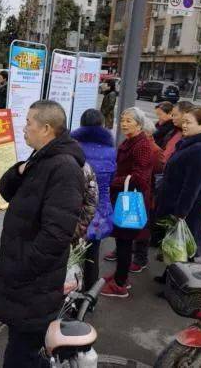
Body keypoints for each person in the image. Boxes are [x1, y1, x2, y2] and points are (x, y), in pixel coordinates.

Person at [0, 100, 85, 367]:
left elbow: (57, 234)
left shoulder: (64, 168)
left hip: (34, 283)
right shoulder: (41, 158)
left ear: (46, 128)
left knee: (21, 355)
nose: (24, 128)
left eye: (28, 123)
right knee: (21, 349)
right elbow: (7, 190)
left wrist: (23, 266)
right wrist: (20, 170)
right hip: (26, 282)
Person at [101, 108, 154, 298]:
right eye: (123, 120)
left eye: (129, 120)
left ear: (139, 124)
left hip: (129, 199)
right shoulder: (131, 141)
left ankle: (120, 284)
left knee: (125, 241)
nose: (124, 124)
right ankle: (120, 275)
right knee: (122, 240)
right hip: (123, 196)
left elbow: (140, 177)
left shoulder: (142, 145)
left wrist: (112, 181)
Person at [157, 107, 201, 267]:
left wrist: (181, 213)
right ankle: (169, 274)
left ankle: (176, 279)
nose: (184, 126)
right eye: (184, 122)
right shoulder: (190, 142)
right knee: (174, 247)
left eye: (189, 122)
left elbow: (192, 185)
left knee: (182, 249)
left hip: (187, 210)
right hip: (176, 204)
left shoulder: (200, 149)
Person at [71, 109, 116, 290]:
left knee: (72, 252)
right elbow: (112, 179)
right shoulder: (111, 151)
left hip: (75, 207)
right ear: (102, 125)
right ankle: (90, 295)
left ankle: (70, 292)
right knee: (92, 253)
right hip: (100, 208)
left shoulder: (73, 147)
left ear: (82, 124)